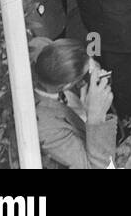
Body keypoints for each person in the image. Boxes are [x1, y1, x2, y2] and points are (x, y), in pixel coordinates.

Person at [32, 40, 118, 170]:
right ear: (67, 85)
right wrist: (96, 118)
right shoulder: (48, 130)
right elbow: (101, 168)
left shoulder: (43, 50)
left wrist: (91, 65)